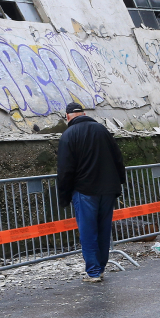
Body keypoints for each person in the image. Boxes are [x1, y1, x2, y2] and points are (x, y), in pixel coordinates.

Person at [56, 102, 127, 283]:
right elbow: (118, 158)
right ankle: (100, 268)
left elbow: (65, 170)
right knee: (104, 230)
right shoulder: (102, 130)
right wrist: (120, 181)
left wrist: (63, 196)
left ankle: (93, 271)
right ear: (84, 113)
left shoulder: (68, 135)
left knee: (88, 232)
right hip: (108, 190)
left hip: (85, 191)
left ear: (67, 117)